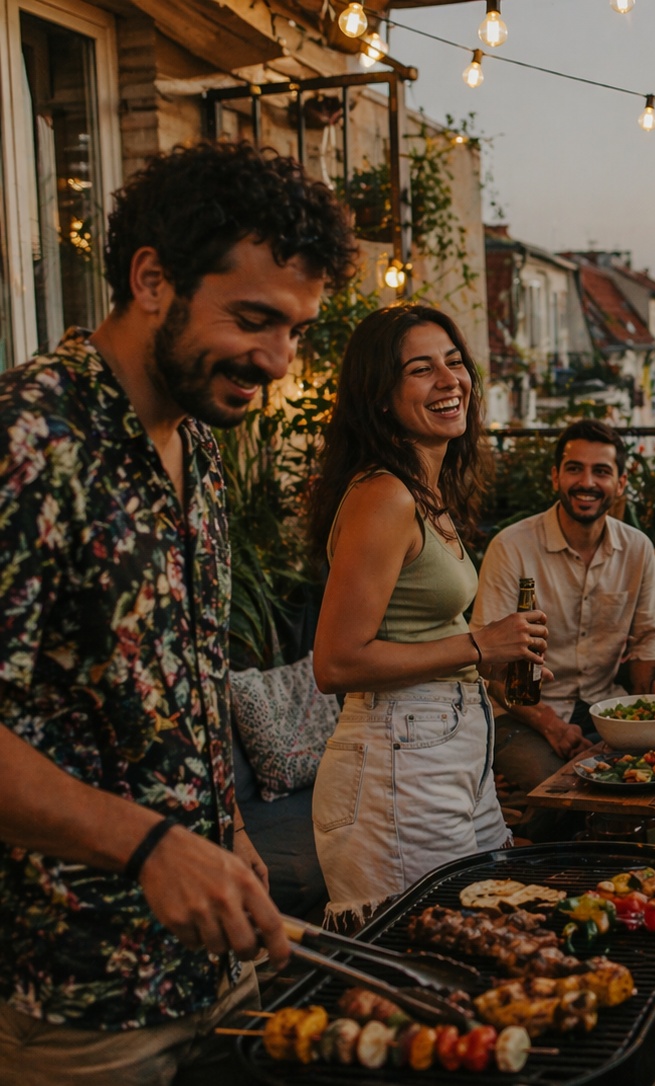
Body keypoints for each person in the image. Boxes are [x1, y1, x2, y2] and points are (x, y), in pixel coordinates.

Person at [0, 142, 355, 1084]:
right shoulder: (30, 436)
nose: (278, 360)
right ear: (152, 279)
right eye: (254, 319)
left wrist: (223, 826)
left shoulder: (196, 443)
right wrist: (149, 845)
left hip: (215, 967)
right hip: (80, 1000)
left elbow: (171, 690)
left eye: (298, 331)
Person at [308, 304, 547, 927]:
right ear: (381, 397)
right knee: (427, 957)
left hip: (449, 749)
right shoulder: (383, 495)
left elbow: (414, 634)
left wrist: (494, 664)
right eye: (421, 369)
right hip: (398, 760)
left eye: (454, 361)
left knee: (484, 932)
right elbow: (335, 663)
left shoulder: (425, 492)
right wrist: (479, 644)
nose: (450, 380)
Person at [473, 418, 655, 840]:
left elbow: (647, 641)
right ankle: (547, 882)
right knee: (565, 792)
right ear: (555, 477)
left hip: (605, 709)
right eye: (574, 469)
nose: (587, 482)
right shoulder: (512, 547)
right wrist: (549, 723)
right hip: (521, 715)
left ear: (620, 483)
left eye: (601, 471)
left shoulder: (636, 548)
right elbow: (488, 667)